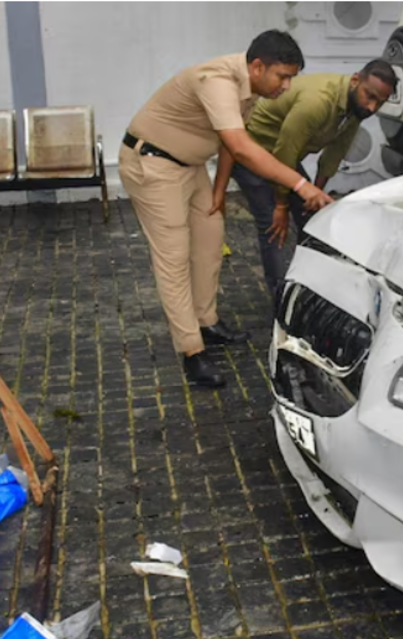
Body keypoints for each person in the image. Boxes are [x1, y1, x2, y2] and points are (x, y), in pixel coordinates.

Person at [120, 30, 333, 389]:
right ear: (257, 66)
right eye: (282, 76)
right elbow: (243, 147)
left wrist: (218, 191)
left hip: (192, 166)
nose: (286, 86)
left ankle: (206, 321)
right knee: (174, 257)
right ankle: (191, 351)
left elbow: (229, 143)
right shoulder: (217, 82)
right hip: (153, 165)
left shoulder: (249, 86)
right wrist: (301, 185)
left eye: (291, 77)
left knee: (210, 243)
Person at [217, 59, 395, 304]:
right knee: (272, 224)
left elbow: (335, 151)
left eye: (380, 102)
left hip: (283, 154)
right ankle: (282, 300)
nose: (372, 106)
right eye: (370, 96)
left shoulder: (357, 106)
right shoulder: (318, 102)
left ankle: (312, 285)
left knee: (314, 219)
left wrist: (315, 194)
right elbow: (285, 150)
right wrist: (282, 205)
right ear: (355, 81)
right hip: (253, 149)